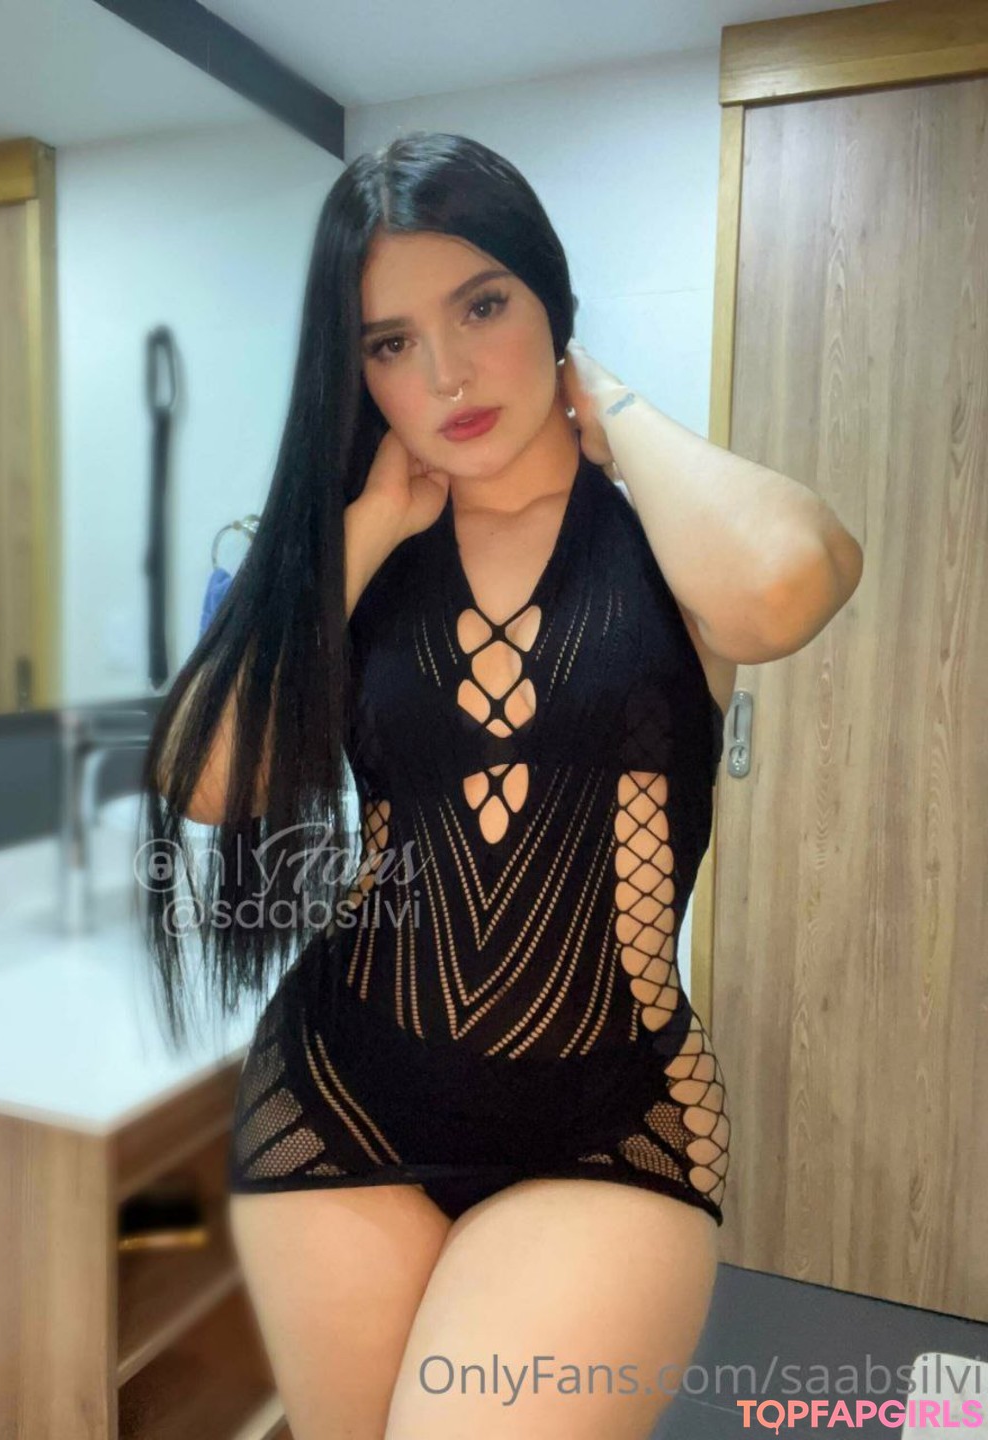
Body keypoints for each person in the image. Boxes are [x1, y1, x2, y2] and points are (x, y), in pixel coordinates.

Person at [140, 131, 861, 1439]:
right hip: (340, 1089)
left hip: (608, 1119)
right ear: (357, 370)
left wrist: (609, 405)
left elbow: (787, 585)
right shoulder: (359, 557)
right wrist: (364, 530)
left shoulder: (663, 541)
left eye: (483, 307)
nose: (448, 374)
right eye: (391, 342)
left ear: (549, 298)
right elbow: (203, 782)